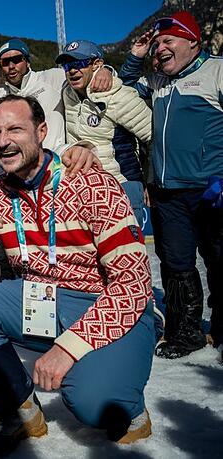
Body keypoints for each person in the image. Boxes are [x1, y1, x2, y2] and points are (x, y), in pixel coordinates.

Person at [0, 95, 155, 456]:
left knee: (94, 404)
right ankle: (15, 408)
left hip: (108, 305)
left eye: (15, 128)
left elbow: (133, 283)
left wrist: (68, 348)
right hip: (42, 303)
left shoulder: (90, 182)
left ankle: (130, 408)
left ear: (42, 131)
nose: (3, 141)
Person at [120, 10, 223, 359]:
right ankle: (186, 332)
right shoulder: (157, 82)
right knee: (176, 263)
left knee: (219, 259)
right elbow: (123, 89)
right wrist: (135, 56)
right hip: (167, 193)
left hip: (212, 189)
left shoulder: (217, 71)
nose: (160, 48)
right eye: (156, 43)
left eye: (169, 41)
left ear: (193, 41)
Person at [57, 40, 152, 228]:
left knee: (126, 254)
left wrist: (152, 181)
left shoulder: (119, 96)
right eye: (68, 66)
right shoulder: (67, 93)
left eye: (79, 63)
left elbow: (154, 137)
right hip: (84, 191)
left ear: (96, 64)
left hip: (121, 187)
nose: (72, 70)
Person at [0, 38, 113, 150]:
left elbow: (83, 75)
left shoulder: (52, 78)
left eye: (16, 60)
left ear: (27, 62)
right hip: (25, 166)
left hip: (58, 162)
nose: (11, 66)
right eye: (5, 62)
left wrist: (105, 70)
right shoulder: (0, 95)